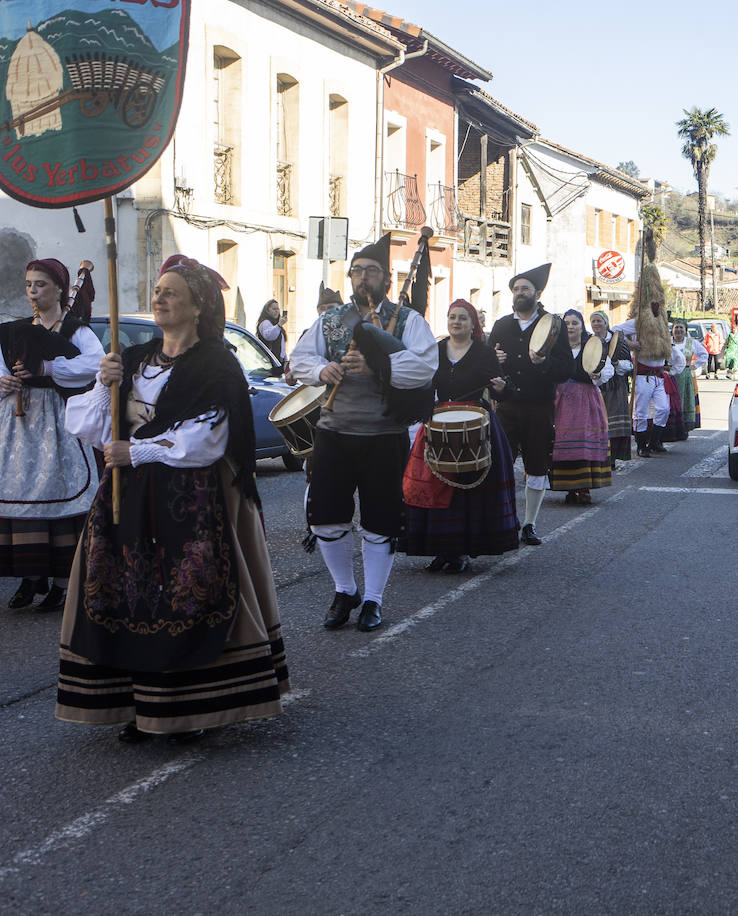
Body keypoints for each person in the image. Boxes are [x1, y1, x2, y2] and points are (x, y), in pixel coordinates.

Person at [56, 255, 287, 743]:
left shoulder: (216, 363)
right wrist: (104, 382)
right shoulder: (136, 360)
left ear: (197, 305)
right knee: (123, 598)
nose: (159, 298)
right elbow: (84, 424)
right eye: (158, 291)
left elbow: (207, 438)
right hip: (126, 498)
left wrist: (134, 449)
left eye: (171, 292)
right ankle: (136, 706)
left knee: (185, 597)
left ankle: (187, 710)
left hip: (190, 500)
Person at [289, 233, 438, 633]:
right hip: (335, 433)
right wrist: (324, 370)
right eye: (357, 271)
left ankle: (373, 598)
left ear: (387, 279)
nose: (363, 278)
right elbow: (299, 358)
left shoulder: (407, 321)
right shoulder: (331, 320)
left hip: (384, 435)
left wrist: (379, 369)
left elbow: (425, 367)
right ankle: (344, 590)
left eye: (372, 272)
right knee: (325, 519)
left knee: (381, 522)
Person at [0, 259, 102, 611]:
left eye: (41, 284)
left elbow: (95, 364)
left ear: (60, 288)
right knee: (22, 498)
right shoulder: (16, 329)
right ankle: (30, 579)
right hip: (19, 425)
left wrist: (49, 367)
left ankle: (61, 583)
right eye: (29, 284)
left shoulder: (75, 329)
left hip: (58, 422)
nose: (33, 291)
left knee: (61, 499)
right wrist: (3, 381)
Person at [403, 299, 519, 572]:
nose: (456, 322)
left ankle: (462, 550)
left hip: (476, 423)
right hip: (438, 422)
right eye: (452, 316)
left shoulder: (484, 353)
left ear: (473, 324)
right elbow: (423, 384)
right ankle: (440, 549)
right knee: (434, 487)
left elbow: (503, 389)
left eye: (463, 318)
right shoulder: (435, 350)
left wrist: (503, 388)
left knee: (470, 491)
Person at [486, 263, 575, 545]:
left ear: (537, 293)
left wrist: (545, 364)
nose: (520, 293)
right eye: (516, 289)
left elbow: (567, 369)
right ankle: (505, 520)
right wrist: (495, 365)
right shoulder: (501, 325)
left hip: (539, 407)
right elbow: (487, 366)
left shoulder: (552, 325)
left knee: (537, 464)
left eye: (525, 289)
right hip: (508, 406)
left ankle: (530, 523)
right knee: (500, 464)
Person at [613, 230, 674, 458]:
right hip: (642, 374)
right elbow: (614, 331)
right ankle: (641, 445)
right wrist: (630, 344)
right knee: (639, 412)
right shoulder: (638, 320)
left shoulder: (662, 320)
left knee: (663, 410)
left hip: (659, 375)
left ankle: (655, 441)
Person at [550, 310, 614, 504]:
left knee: (583, 442)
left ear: (581, 326)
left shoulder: (592, 346)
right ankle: (568, 487)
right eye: (567, 323)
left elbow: (607, 368)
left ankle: (584, 487)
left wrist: (598, 375)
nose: (570, 326)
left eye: (574, 323)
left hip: (585, 400)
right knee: (561, 442)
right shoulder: (555, 347)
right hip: (559, 400)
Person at [589, 310, 633, 463]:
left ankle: (613, 457)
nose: (596, 324)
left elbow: (629, 365)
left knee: (614, 425)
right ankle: (600, 456)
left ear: (606, 323)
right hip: (596, 387)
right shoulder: (590, 341)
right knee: (598, 423)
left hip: (615, 387)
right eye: (593, 321)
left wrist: (616, 363)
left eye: (599, 321)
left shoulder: (616, 341)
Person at [671, 321, 706, 431]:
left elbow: (704, 354)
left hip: (686, 376)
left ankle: (685, 425)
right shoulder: (668, 342)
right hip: (670, 375)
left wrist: (694, 365)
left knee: (686, 399)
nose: (678, 330)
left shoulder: (691, 342)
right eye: (676, 327)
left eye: (681, 328)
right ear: (672, 330)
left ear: (685, 330)